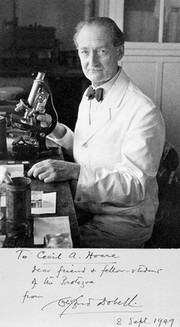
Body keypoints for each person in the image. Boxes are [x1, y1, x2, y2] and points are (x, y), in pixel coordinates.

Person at [27, 17, 165, 248]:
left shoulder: (144, 111)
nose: (91, 62)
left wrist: (74, 171)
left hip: (120, 221)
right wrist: (56, 129)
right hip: (85, 206)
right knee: (28, 224)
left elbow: (134, 186)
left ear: (119, 51)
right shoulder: (92, 91)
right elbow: (90, 149)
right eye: (84, 52)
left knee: (40, 251)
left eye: (100, 51)